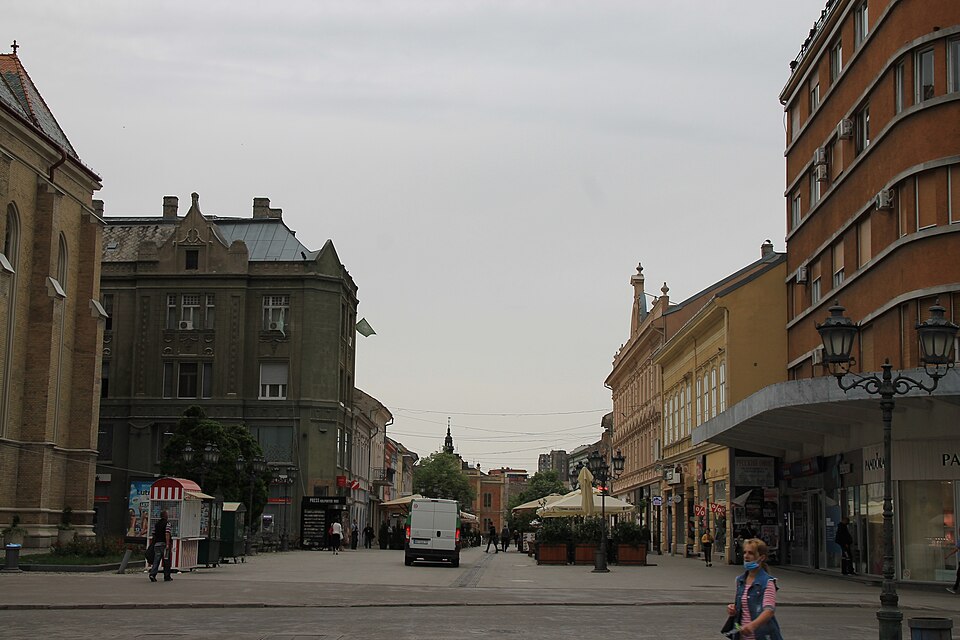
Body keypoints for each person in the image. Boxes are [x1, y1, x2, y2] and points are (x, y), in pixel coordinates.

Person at [725, 538, 782, 640]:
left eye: (751, 553)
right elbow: (743, 609)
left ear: (761, 557)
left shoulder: (767, 582)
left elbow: (769, 611)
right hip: (741, 636)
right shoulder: (740, 580)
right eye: (745, 552)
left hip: (761, 636)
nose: (746, 556)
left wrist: (752, 626)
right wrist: (734, 609)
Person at [148, 510, 173, 582]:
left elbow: (153, 533)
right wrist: (168, 544)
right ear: (165, 516)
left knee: (156, 560)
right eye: (167, 515)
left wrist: (154, 542)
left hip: (157, 544)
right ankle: (167, 576)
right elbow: (167, 533)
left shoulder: (156, 524)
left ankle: (152, 574)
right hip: (164, 544)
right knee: (166, 560)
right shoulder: (167, 524)